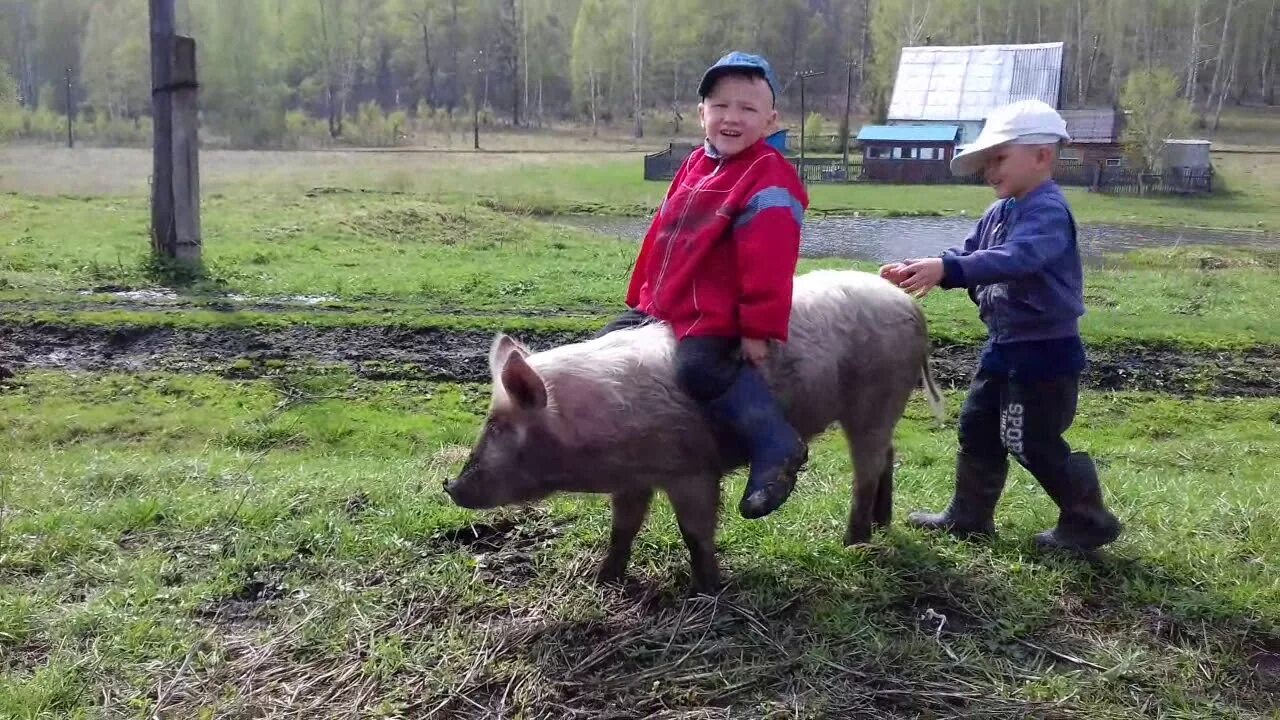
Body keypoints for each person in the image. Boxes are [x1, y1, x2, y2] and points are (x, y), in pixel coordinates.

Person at [879, 99, 1123, 552]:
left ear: (1042, 156)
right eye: (986, 161)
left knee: (1030, 439)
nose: (989, 171)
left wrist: (949, 270)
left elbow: (1017, 258)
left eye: (999, 158)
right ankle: (969, 517)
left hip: (1045, 352)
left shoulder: (1047, 210)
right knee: (977, 427)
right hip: (1005, 345)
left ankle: (1088, 517)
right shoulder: (999, 212)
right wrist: (925, 266)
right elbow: (970, 253)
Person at [594, 51, 810, 520]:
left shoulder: (770, 176)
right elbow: (663, 234)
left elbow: (771, 259)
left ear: (771, 119)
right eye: (720, 106)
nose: (732, 118)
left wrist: (756, 328)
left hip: (718, 314)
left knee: (698, 369)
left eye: (748, 109)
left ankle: (774, 442)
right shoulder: (696, 163)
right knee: (607, 343)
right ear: (701, 114)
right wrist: (643, 299)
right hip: (670, 305)